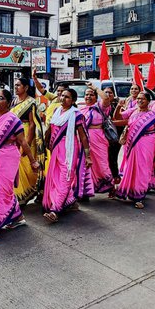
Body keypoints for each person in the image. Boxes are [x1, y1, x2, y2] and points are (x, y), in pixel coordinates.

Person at [0, 89, 40, 244]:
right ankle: (17, 217)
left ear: (9, 102)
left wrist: (33, 161)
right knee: (0, 190)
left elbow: (23, 142)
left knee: (0, 192)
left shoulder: (13, 120)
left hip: (8, 157)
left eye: (1, 98)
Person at [42, 88, 93, 223]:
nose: (63, 99)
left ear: (74, 101)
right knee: (56, 178)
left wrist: (88, 156)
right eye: (62, 96)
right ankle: (70, 201)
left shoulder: (76, 115)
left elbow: (83, 137)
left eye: (67, 97)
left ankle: (55, 210)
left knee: (65, 178)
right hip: (55, 149)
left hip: (69, 150)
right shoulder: (56, 111)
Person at [116, 92, 155, 209]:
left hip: (147, 143)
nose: (139, 101)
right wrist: (119, 105)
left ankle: (139, 195)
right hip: (131, 143)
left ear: (148, 101)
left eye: (142, 99)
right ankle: (129, 190)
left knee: (143, 168)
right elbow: (118, 117)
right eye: (138, 98)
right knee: (131, 167)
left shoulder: (153, 116)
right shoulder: (133, 111)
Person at [10, 76, 45, 205]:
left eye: (18, 85)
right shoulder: (14, 101)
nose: (16, 87)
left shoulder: (31, 102)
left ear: (25, 88)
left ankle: (34, 188)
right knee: (16, 165)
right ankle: (19, 195)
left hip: (25, 135)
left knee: (28, 167)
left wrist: (28, 143)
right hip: (14, 135)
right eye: (15, 85)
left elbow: (32, 124)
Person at [79, 84, 115, 196]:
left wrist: (95, 88)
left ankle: (111, 187)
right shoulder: (81, 108)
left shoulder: (100, 107)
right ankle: (86, 191)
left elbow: (105, 98)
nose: (88, 96)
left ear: (96, 97)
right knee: (85, 166)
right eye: (86, 94)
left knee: (102, 166)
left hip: (98, 140)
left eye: (91, 95)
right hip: (83, 140)